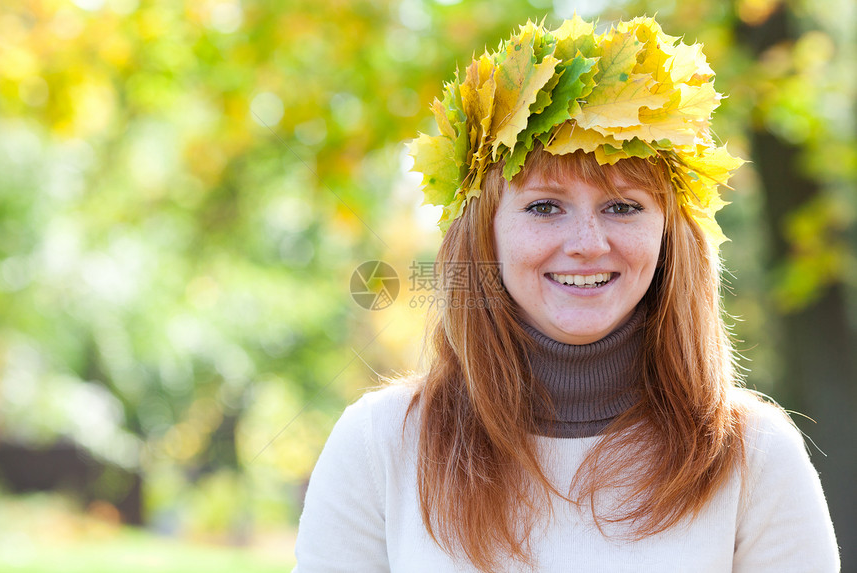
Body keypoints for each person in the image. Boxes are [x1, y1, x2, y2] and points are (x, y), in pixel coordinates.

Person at [294, 16, 840, 572]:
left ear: (669, 236)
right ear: (485, 234)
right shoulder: (380, 445)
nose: (587, 244)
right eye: (544, 206)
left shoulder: (755, 456)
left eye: (623, 206)